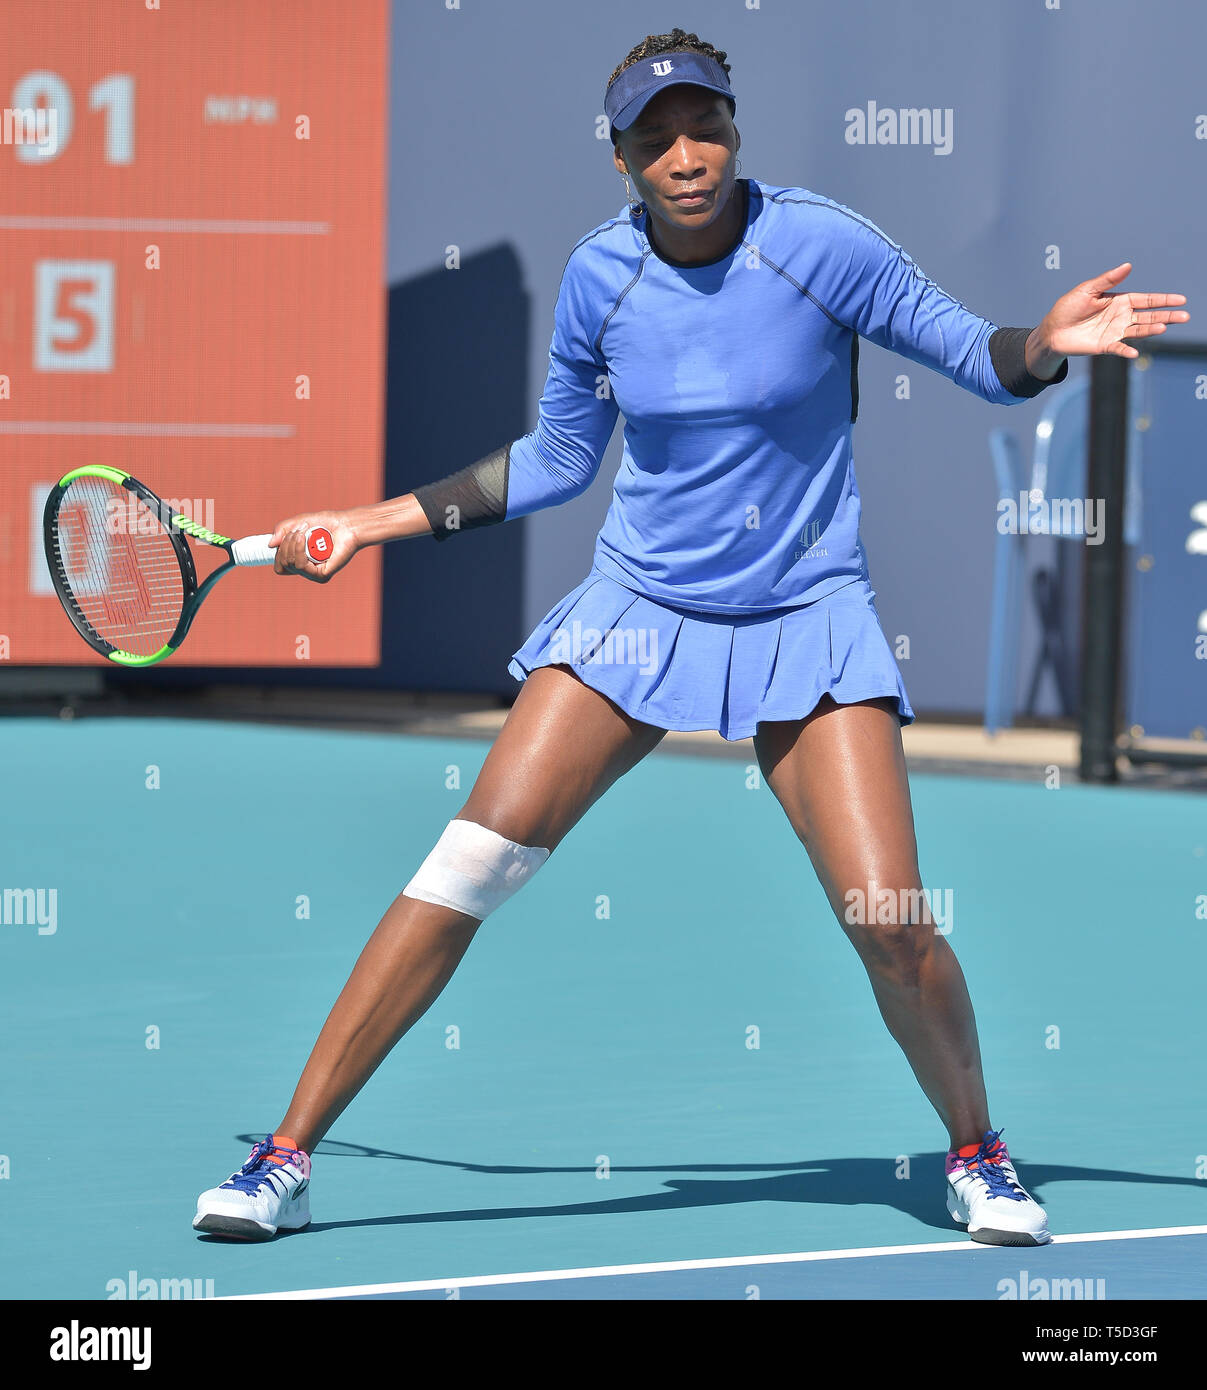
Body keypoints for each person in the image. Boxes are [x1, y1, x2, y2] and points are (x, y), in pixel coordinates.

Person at [194, 28, 1188, 1248]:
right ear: (618, 157)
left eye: (703, 127)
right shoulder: (599, 280)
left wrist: (1044, 346)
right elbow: (557, 461)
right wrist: (366, 522)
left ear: (734, 128)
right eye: (654, 139)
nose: (685, 155)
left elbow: (972, 352)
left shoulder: (821, 243)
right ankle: (286, 1158)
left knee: (889, 917)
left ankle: (977, 1150)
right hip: (636, 614)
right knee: (466, 867)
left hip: (807, 619)